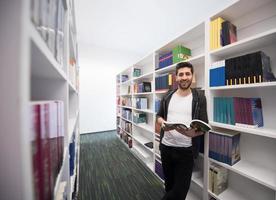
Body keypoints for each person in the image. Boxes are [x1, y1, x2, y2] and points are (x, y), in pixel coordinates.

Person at [156, 62, 208, 200]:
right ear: (176, 77)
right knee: (169, 186)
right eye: (181, 74)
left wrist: (194, 133)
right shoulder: (168, 96)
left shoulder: (199, 97)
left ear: (192, 76)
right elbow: (159, 116)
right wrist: (163, 124)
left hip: (186, 151)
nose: (184, 77)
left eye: (187, 74)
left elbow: (204, 125)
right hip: (166, 148)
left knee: (179, 193)